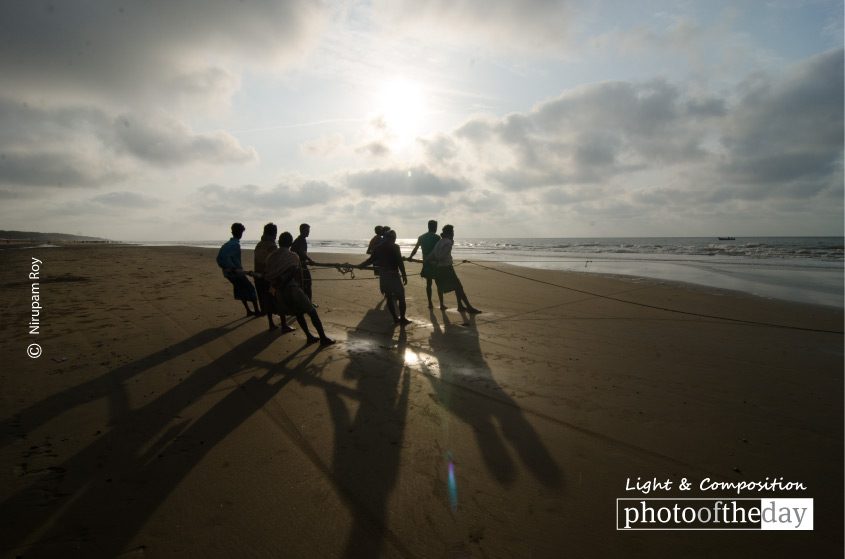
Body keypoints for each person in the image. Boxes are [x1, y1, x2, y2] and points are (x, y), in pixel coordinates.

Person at [265, 232, 335, 346]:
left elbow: (268, 274)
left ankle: (309, 336)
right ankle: (323, 338)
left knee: (298, 313)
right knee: (312, 312)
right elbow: (295, 275)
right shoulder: (293, 256)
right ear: (290, 243)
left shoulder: (271, 256)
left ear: (279, 242)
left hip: (278, 291)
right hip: (292, 288)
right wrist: (301, 290)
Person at [358, 230, 411, 325]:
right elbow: (400, 262)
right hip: (394, 276)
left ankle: (395, 318)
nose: (394, 240)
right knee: (401, 297)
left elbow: (370, 260)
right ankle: (402, 318)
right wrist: (404, 275)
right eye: (393, 238)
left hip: (384, 276)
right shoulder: (395, 247)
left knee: (389, 297)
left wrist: (361, 265)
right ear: (392, 238)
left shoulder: (378, 248)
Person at [425, 224, 481, 313]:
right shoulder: (448, 242)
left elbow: (430, 256)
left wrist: (432, 262)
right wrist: (437, 260)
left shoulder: (439, 242)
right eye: (452, 232)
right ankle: (468, 307)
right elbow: (441, 256)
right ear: (450, 233)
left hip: (440, 269)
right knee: (459, 287)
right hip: (447, 269)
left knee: (457, 287)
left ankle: (460, 306)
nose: (453, 234)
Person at [253, 223, 294, 332]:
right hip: (269, 277)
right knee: (279, 299)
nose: (276, 236)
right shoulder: (272, 247)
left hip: (258, 276)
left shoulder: (259, 245)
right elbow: (277, 263)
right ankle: (284, 325)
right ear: (272, 234)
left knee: (266, 300)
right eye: (275, 233)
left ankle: (271, 323)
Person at [216, 222, 260, 317]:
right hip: (235, 272)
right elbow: (228, 259)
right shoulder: (235, 245)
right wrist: (235, 269)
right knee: (250, 289)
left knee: (240, 290)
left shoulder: (226, 245)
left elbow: (219, 259)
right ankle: (256, 311)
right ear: (240, 233)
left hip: (227, 273)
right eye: (241, 232)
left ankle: (248, 311)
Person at [408, 219, 441, 308]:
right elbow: (439, 251)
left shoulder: (421, 237)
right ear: (434, 227)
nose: (436, 228)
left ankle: (430, 303)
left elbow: (415, 248)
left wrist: (410, 257)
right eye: (436, 226)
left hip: (426, 263)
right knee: (439, 283)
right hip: (435, 264)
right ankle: (441, 304)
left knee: (428, 284)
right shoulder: (437, 237)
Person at [291, 223, 318, 301]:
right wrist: (310, 260)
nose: (308, 232)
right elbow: (301, 252)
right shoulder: (301, 240)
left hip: (297, 265)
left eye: (308, 230)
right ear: (302, 230)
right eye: (307, 230)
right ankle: (308, 302)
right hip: (300, 265)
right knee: (307, 283)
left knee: (303, 284)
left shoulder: (299, 239)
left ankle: (305, 301)